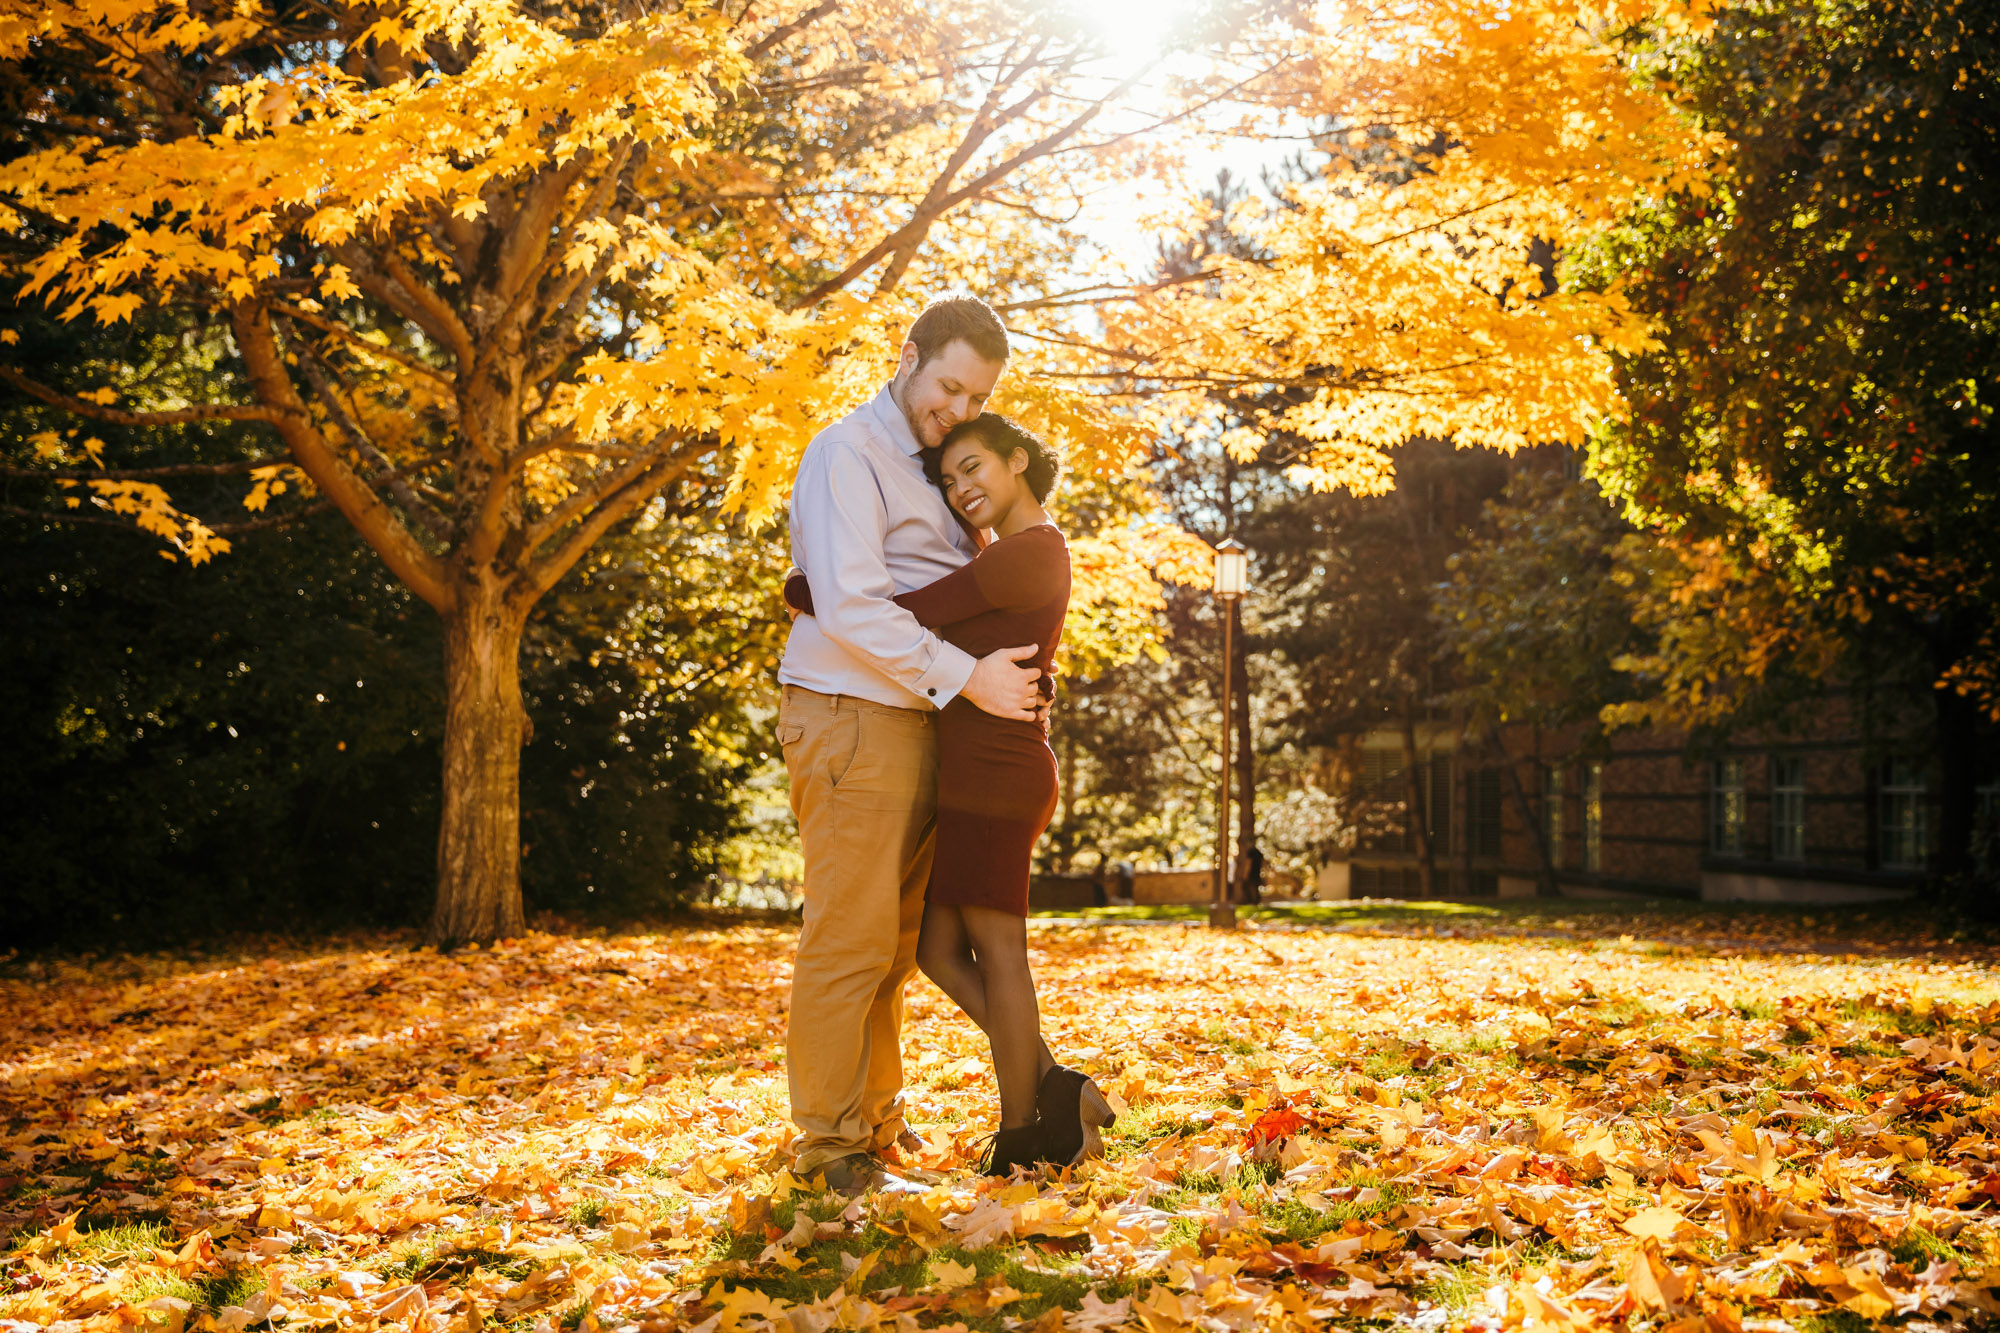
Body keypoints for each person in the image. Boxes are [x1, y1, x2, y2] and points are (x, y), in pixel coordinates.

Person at [787, 413, 1115, 1175]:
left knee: (999, 952)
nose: (962, 488)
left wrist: (811, 589)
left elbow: (913, 613)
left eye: (974, 468)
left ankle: (1024, 1129)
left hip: (999, 775)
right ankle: (1060, 1086)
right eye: (948, 479)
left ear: (1018, 460)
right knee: (936, 948)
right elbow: (979, 642)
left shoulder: (1026, 553)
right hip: (976, 770)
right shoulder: (1014, 556)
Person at [776, 298, 1050, 1194]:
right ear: (908, 356)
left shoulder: (934, 474)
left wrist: (1012, 673)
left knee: (893, 946)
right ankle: (829, 1149)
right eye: (949, 384)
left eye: (977, 397)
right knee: (849, 940)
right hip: (853, 713)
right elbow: (852, 603)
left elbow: (966, 597)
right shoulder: (846, 454)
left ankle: (872, 1126)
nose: (959, 407)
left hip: (921, 719)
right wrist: (973, 677)